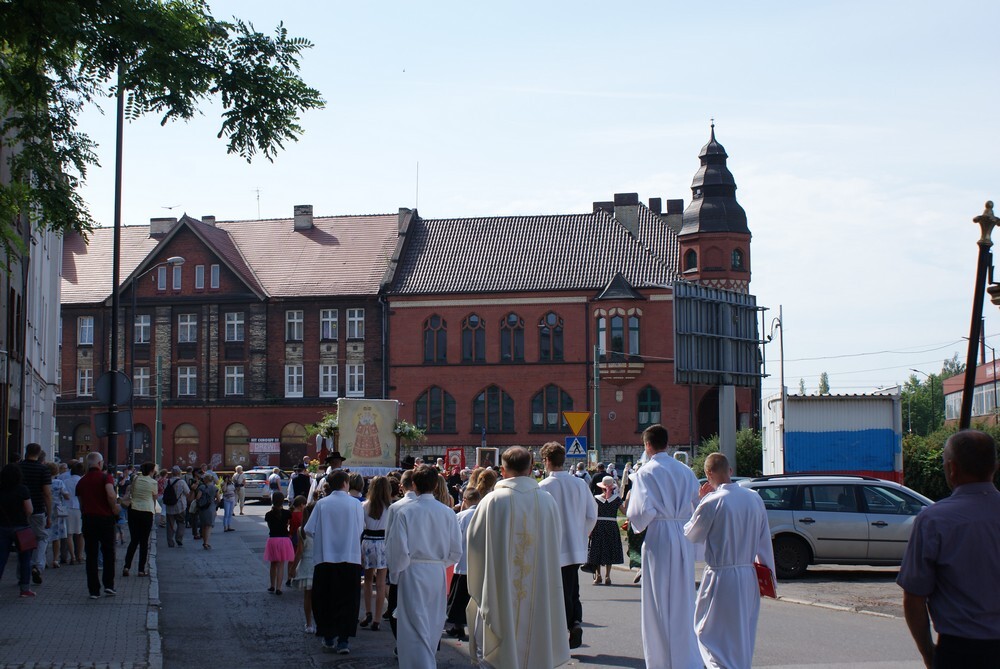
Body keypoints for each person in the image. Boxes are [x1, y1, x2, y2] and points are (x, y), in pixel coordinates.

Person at [898, 429, 1000, 669]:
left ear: (952, 468)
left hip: (960, 652)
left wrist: (929, 655)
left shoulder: (934, 520)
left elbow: (914, 599)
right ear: (994, 467)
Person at [466, 446, 569, 668]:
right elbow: (554, 543)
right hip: (538, 587)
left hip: (500, 588)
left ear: (503, 470)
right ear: (532, 469)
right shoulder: (547, 501)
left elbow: (474, 544)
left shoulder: (493, 501)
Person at [683, 453, 775, 669]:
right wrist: (769, 577)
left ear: (708, 474)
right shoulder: (754, 498)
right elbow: (764, 541)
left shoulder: (713, 501)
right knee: (742, 633)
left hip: (721, 575)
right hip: (748, 575)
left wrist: (699, 499)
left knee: (708, 631)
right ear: (730, 471)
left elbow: (692, 534)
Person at [625, 424, 701, 669]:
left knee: (657, 600)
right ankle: (685, 658)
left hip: (659, 534)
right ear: (666, 443)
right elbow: (696, 503)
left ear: (647, 445)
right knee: (683, 597)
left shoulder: (646, 472)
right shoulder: (686, 470)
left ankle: (660, 661)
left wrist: (634, 523)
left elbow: (639, 512)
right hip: (682, 533)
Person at [386, 464, 463, 669]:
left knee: (412, 623)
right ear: (436, 485)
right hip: (436, 572)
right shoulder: (447, 513)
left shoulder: (405, 512)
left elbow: (398, 551)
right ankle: (427, 662)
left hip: (411, 571)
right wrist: (438, 564)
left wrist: (397, 574)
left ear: (413, 484)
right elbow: (456, 551)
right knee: (432, 621)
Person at [538, 441, 598, 649]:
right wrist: (582, 534)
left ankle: (563, 627)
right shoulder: (580, 484)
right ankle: (574, 622)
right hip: (575, 546)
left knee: (554, 591)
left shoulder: (542, 488)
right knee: (572, 589)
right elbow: (592, 514)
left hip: (552, 547)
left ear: (546, 461)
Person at [303, 470, 364, 654]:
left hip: (325, 558)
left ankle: (328, 637)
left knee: (325, 598)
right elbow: (361, 528)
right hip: (350, 557)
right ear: (346, 483)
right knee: (348, 600)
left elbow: (308, 529)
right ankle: (343, 640)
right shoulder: (355, 504)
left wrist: (324, 536)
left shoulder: (322, 504)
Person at [76, 451, 121, 599]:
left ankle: (93, 590)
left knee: (91, 555)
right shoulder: (105, 477)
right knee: (108, 553)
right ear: (100, 464)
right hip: (105, 519)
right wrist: (115, 508)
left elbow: (81, 502)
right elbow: (110, 494)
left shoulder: (81, 481)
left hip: (88, 519)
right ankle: (109, 585)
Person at [384, 469, 418, 637]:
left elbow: (389, 539)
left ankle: (401, 642)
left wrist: (392, 568)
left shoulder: (396, 507)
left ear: (401, 486)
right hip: (428, 566)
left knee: (397, 608)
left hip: (401, 565)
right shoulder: (433, 507)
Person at [445, 487, 481, 642]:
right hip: (480, 565)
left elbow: (453, 538)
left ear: (465, 500)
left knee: (459, 600)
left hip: (462, 562)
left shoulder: (460, 516)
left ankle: (458, 626)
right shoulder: (484, 515)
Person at [360, 476, 392, 631]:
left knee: (367, 580)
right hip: (383, 543)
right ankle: (377, 619)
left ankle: (368, 612)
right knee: (380, 583)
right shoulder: (390, 508)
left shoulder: (364, 505)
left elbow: (361, 527)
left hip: (368, 541)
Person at [0, 463, 36, 597]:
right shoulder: (22, 490)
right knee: (25, 559)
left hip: (2, 527)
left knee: (1, 558)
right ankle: (25, 588)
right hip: (21, 527)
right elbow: (29, 510)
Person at [18, 443, 51, 586]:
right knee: (42, 537)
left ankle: (21, 574)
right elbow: (47, 493)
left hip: (19, 510)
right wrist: (49, 513)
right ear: (38, 454)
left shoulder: (18, 467)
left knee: (22, 541)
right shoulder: (43, 469)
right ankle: (37, 565)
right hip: (37, 508)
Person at [587, 476, 624, 586]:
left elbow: (591, 513)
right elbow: (625, 511)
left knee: (597, 548)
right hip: (611, 525)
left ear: (602, 487)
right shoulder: (617, 499)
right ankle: (608, 575)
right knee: (610, 548)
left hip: (598, 525)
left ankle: (598, 575)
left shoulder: (596, 498)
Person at [122, 462, 158, 577]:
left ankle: (126, 566)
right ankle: (141, 570)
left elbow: (132, 492)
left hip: (133, 510)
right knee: (144, 542)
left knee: (134, 540)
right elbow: (154, 498)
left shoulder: (135, 479)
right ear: (152, 471)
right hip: (146, 512)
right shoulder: (153, 482)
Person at [291, 502, 316, 633]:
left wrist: (292, 568)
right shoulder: (322, 528)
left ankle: (309, 623)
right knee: (320, 596)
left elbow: (299, 552)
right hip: (319, 564)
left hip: (307, 565)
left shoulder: (302, 530)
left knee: (308, 596)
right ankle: (320, 622)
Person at [264, 491, 294, 595]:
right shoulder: (287, 513)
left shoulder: (268, 514)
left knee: (273, 564)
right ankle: (279, 588)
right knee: (281, 564)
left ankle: (272, 585)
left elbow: (270, 527)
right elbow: (289, 525)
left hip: (273, 539)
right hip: (284, 539)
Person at [46, 461, 70, 570]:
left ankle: (43, 559)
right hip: (57, 510)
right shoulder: (59, 482)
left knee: (44, 536)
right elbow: (66, 496)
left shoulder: (44, 482)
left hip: (46, 509)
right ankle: (55, 559)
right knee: (57, 536)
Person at [162, 466, 190, 547]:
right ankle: (179, 538)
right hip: (180, 506)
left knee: (170, 525)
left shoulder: (167, 481)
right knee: (181, 522)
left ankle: (170, 542)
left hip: (169, 506)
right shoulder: (182, 482)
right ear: (179, 473)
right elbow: (187, 493)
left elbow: (164, 491)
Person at [64, 461, 84, 564]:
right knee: (80, 534)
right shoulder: (82, 481)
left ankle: (72, 557)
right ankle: (80, 555)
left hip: (68, 508)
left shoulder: (66, 481)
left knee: (69, 534)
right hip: (79, 508)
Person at [195, 472, 218, 549]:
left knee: (204, 525)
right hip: (211, 507)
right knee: (209, 526)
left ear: (205, 480)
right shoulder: (214, 488)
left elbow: (198, 497)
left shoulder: (201, 487)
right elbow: (219, 499)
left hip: (202, 508)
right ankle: (206, 543)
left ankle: (204, 541)